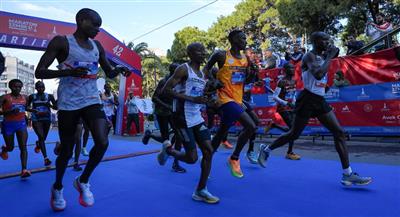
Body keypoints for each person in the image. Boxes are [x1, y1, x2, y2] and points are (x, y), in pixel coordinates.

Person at [35, 8, 131, 211]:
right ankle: (58, 187)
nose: (98, 29)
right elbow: (39, 71)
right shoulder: (61, 42)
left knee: (103, 141)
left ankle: (83, 180)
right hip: (68, 103)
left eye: (100, 25)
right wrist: (68, 72)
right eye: (95, 24)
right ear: (81, 21)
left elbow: (109, 72)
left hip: (90, 99)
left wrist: (119, 70)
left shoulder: (97, 46)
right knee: (67, 151)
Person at [257, 31, 372, 186]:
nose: (327, 42)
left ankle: (347, 174)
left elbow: (334, 54)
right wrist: (330, 56)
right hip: (307, 99)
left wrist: (332, 53)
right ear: (316, 41)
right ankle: (267, 149)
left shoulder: (323, 56)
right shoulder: (308, 56)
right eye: (324, 40)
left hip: (319, 100)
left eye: (328, 39)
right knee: (294, 134)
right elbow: (318, 74)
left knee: (338, 132)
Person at [158, 42, 219, 203]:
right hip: (181, 118)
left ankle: (201, 190)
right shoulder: (183, 69)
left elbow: (199, 95)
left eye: (204, 50)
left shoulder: (203, 74)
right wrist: (192, 99)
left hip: (196, 117)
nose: (203, 52)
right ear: (190, 54)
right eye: (199, 50)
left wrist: (208, 100)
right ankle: (169, 151)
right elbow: (166, 90)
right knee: (192, 158)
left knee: (208, 150)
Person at [204, 29, 257, 178]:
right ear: (233, 40)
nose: (245, 41)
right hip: (224, 99)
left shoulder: (245, 59)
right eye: (242, 39)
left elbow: (243, 79)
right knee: (251, 125)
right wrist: (213, 81)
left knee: (221, 132)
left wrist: (252, 73)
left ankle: (207, 160)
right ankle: (234, 158)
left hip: (238, 99)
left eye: (245, 39)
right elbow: (206, 69)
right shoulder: (221, 55)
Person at [142, 62, 186, 173]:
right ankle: (150, 134)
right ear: (173, 71)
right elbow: (154, 98)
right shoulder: (163, 81)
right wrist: (167, 106)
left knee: (179, 135)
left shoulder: (178, 82)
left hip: (173, 112)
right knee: (165, 139)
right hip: (162, 112)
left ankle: (176, 163)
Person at [0, 79, 34, 178]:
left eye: (19, 87)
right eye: (15, 86)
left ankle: (24, 170)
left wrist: (32, 110)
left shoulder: (25, 98)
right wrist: (9, 112)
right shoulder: (4, 98)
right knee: (10, 148)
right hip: (8, 125)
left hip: (21, 124)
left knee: (23, 146)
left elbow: (25, 108)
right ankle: (5, 149)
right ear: (10, 87)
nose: (17, 88)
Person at [273, 63, 301, 160]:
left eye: (293, 68)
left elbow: (293, 95)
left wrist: (294, 102)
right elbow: (275, 96)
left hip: (291, 108)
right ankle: (289, 152)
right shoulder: (281, 81)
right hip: (283, 108)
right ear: (285, 70)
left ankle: (274, 125)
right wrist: (285, 103)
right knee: (292, 129)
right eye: (290, 68)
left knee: (292, 130)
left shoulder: (293, 81)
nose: (293, 69)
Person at [27, 81, 57, 166]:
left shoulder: (50, 96)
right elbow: (27, 107)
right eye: (39, 87)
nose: (41, 88)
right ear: (36, 88)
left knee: (43, 138)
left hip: (47, 119)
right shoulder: (32, 97)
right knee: (41, 136)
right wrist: (33, 110)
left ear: (44, 87)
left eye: (42, 87)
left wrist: (50, 105)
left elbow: (56, 107)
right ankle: (46, 158)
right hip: (36, 119)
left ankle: (39, 144)